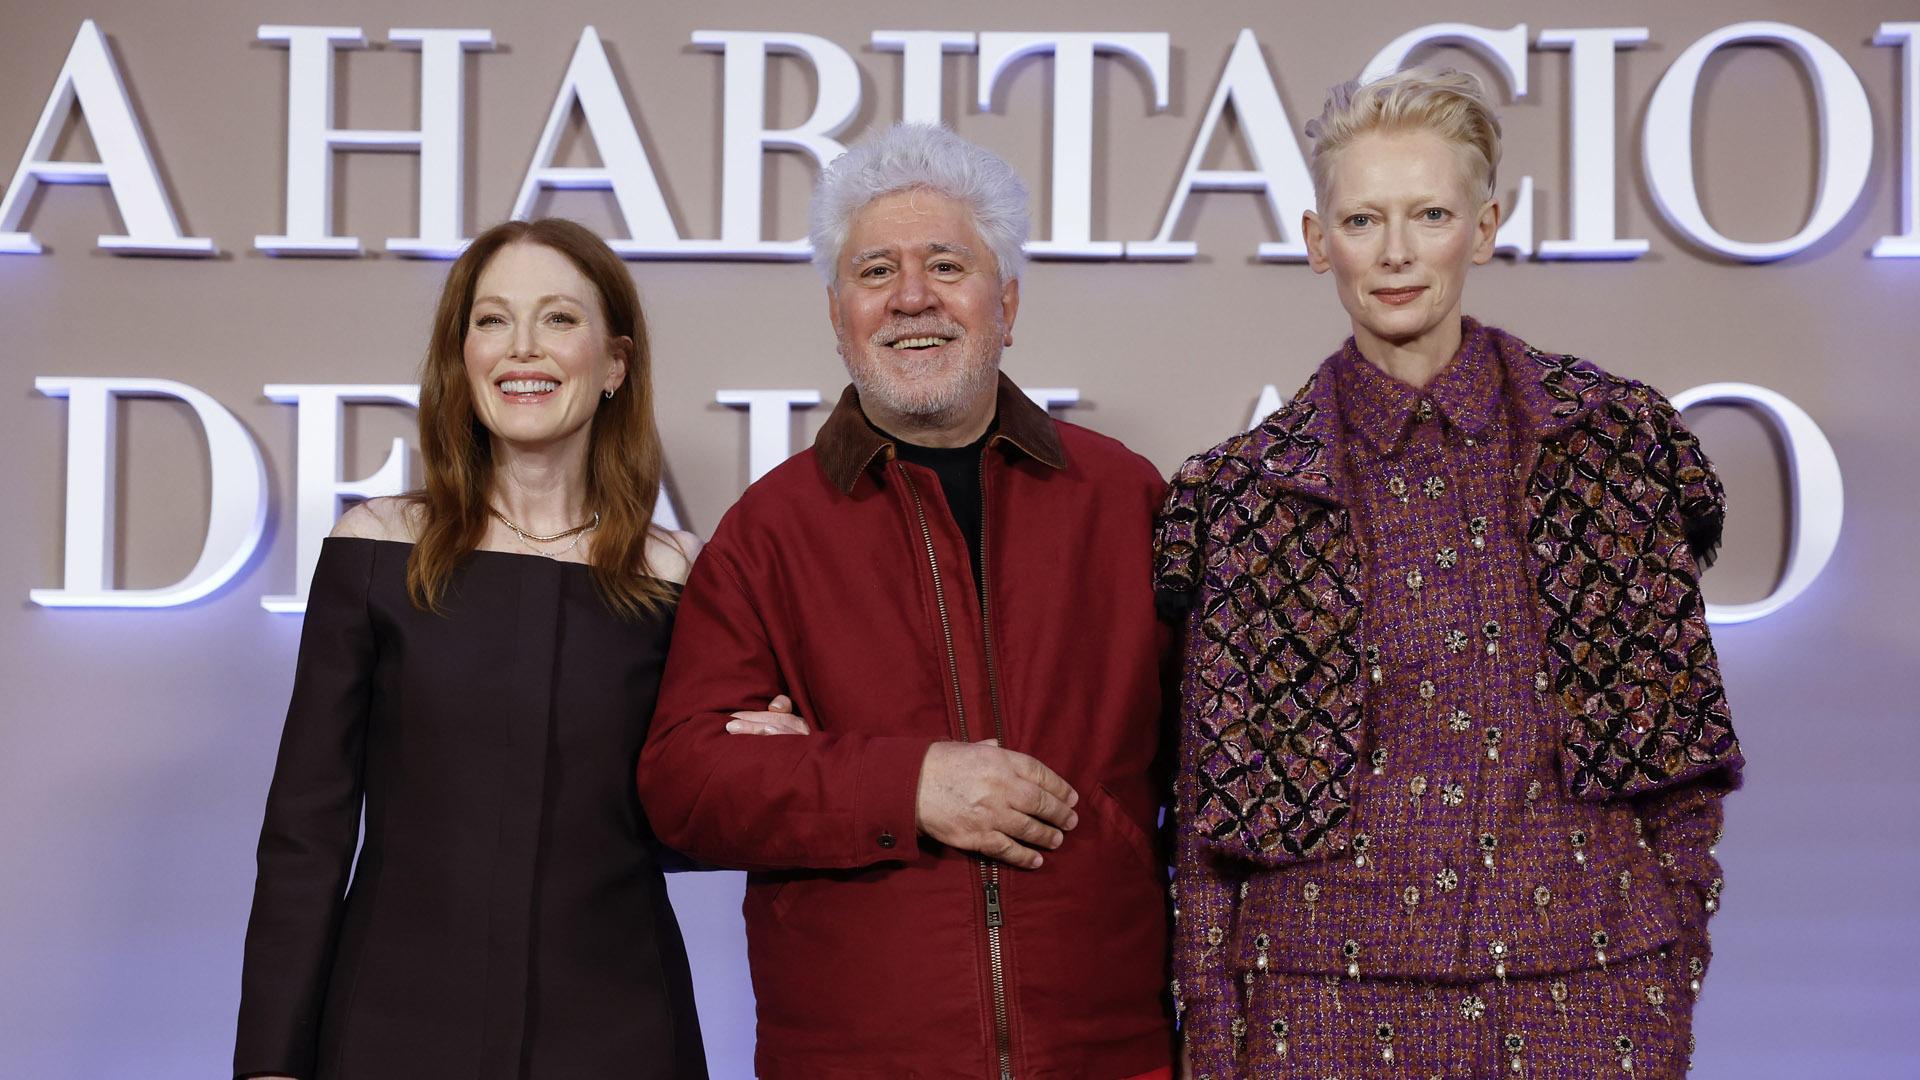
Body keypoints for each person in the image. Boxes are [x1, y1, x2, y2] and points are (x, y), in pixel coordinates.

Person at [1154, 70, 1742, 1079]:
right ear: (1314, 238)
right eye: (1362, 218)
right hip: (1315, 1003)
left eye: (1428, 214)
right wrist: (1216, 1039)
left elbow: (1677, 767)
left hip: (1587, 989)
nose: (1394, 252)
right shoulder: (1242, 496)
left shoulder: (1610, 446)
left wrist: (1664, 979)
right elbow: (1212, 833)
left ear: (1483, 226)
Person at [639, 123, 1177, 1080]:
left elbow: (1214, 767)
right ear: (838, 313)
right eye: (875, 270)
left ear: (1006, 303)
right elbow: (684, 784)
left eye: (947, 264)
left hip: (1108, 1053)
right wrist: (907, 785)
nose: (912, 297)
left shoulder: (1128, 500)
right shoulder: (769, 532)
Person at [234, 218, 735, 1079]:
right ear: (460, 357)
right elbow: (305, 834)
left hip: (621, 1029)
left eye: (559, 319)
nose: (522, 349)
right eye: (493, 320)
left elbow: (682, 821)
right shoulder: (376, 547)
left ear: (615, 363)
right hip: (391, 1026)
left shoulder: (678, 574)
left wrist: (745, 765)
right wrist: (270, 1064)